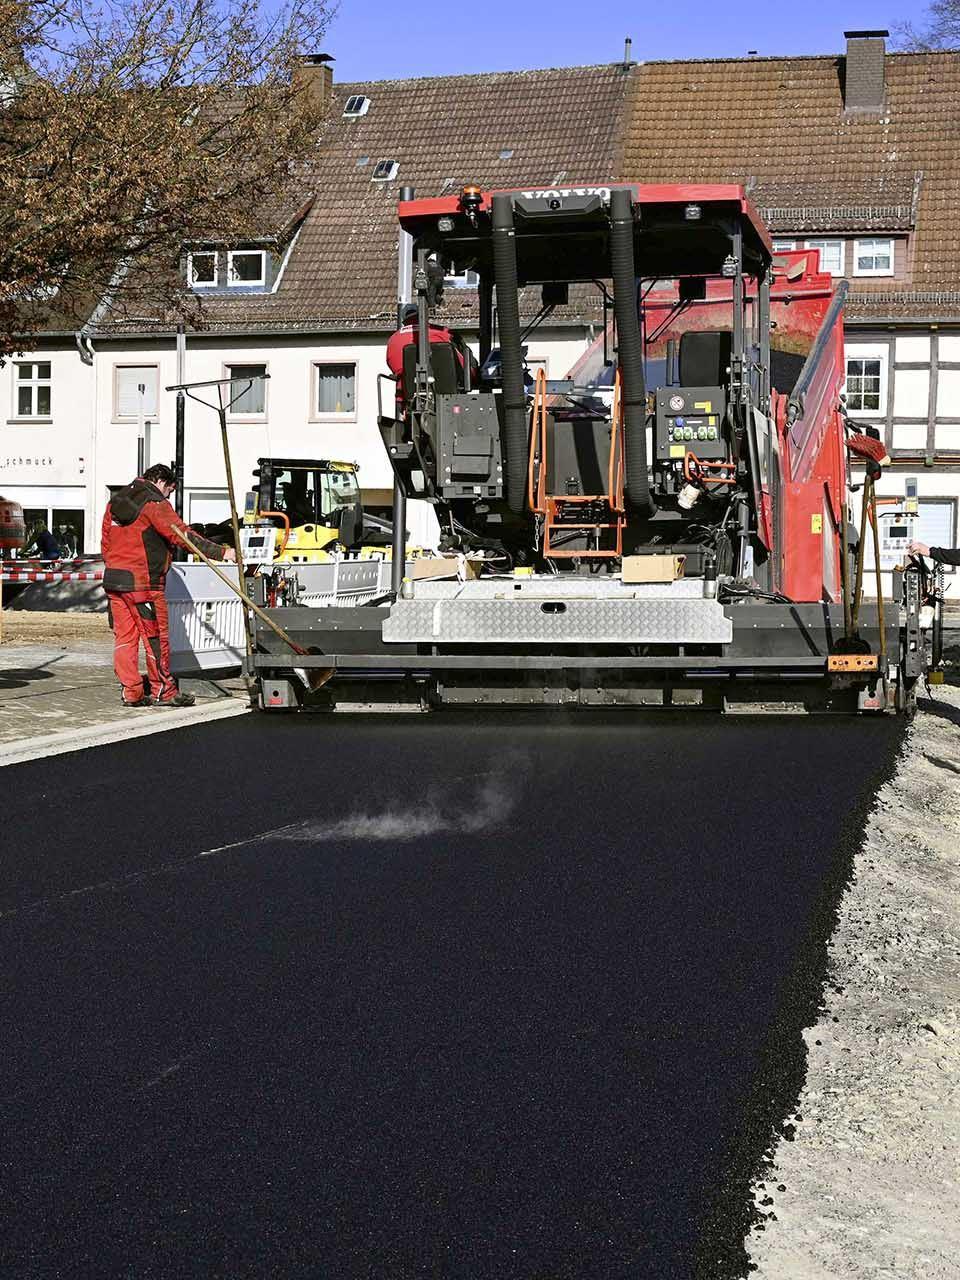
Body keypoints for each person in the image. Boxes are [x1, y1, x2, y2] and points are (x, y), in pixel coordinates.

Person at [101, 462, 235, 708]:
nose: (169, 496)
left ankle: (131, 692)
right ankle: (163, 691)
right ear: (161, 482)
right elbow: (180, 534)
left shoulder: (115, 502)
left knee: (125, 639)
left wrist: (116, 567)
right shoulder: (154, 503)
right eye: (170, 490)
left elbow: (106, 542)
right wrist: (222, 552)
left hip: (115, 581)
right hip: (144, 584)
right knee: (156, 639)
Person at [385, 303, 475, 410]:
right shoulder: (443, 333)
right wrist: (473, 374)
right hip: (449, 397)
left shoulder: (393, 340)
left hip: (408, 399)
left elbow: (395, 368)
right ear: (422, 315)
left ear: (403, 319)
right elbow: (463, 364)